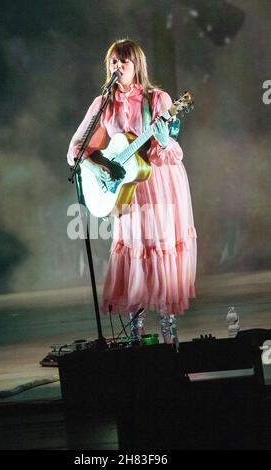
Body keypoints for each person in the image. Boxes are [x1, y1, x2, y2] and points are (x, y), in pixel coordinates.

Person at [67, 39, 197, 344]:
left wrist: (163, 140)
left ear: (136, 64)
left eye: (123, 61)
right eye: (113, 61)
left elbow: (171, 152)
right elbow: (76, 149)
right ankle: (136, 335)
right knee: (135, 249)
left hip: (160, 184)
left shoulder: (158, 100)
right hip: (128, 189)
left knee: (161, 249)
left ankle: (169, 332)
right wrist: (100, 167)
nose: (117, 66)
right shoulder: (103, 104)